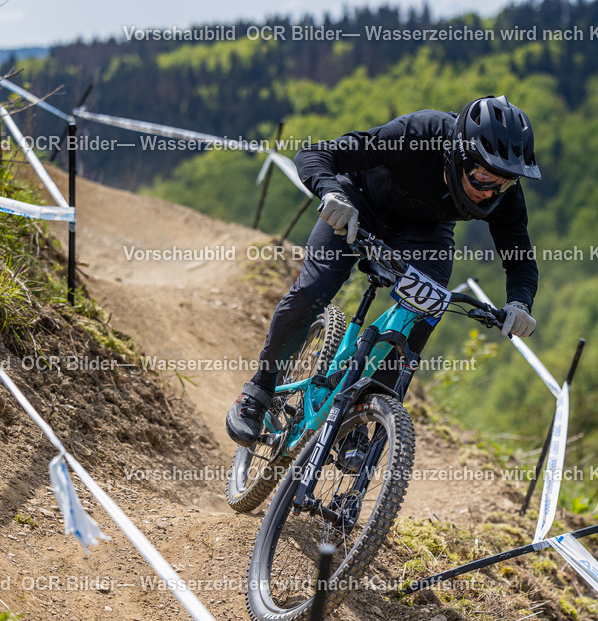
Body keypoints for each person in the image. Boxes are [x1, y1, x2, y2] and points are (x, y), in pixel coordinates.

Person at [226, 95, 541, 447]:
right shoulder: (418, 133)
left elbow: (520, 258)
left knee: (426, 309)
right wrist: (330, 194)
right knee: (316, 287)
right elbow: (316, 154)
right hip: (358, 202)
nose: (490, 192)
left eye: (504, 182)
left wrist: (520, 303)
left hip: (425, 231)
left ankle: (363, 411)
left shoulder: (502, 194)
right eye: (483, 176)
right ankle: (260, 388)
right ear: (458, 153)